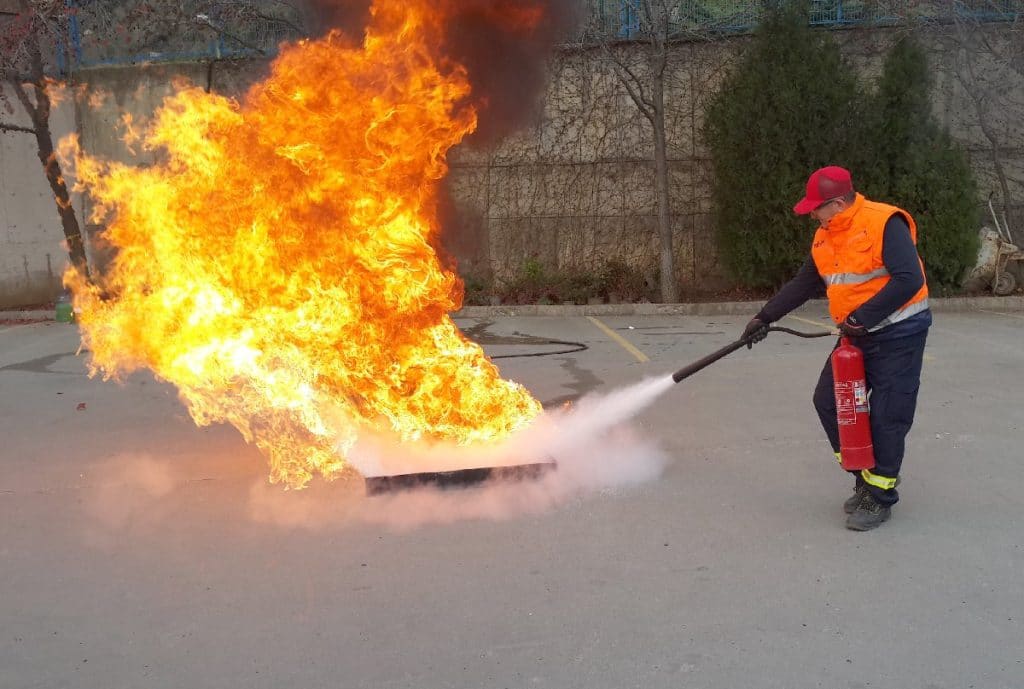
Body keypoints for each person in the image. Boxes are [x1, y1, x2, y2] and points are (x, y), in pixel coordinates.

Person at [742, 166, 931, 531]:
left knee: (887, 416)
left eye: (817, 208)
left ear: (839, 202)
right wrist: (763, 317)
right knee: (829, 401)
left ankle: (880, 497)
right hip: (857, 337)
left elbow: (910, 278)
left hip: (899, 335)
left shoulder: (883, 222)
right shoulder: (824, 236)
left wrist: (864, 316)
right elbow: (804, 283)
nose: (812, 214)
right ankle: (864, 476)